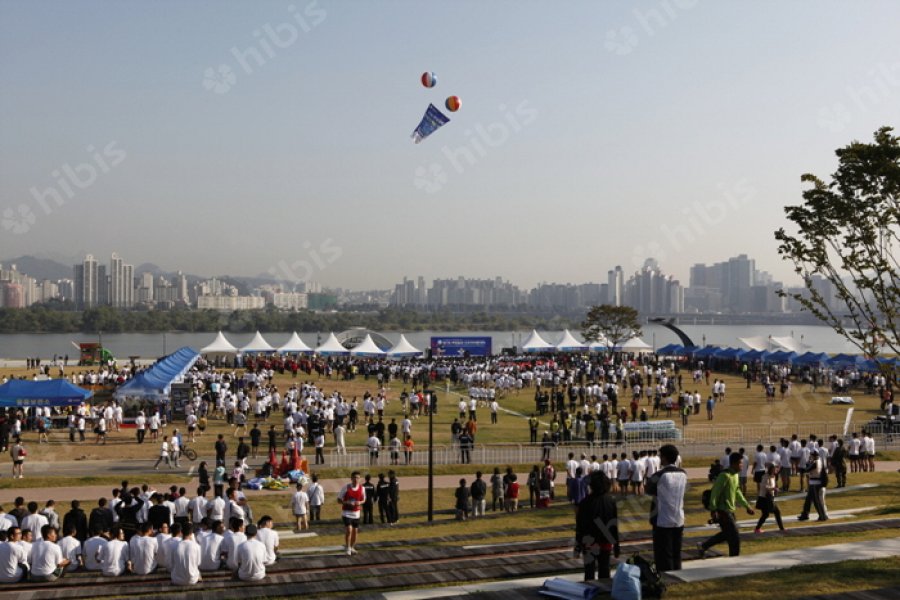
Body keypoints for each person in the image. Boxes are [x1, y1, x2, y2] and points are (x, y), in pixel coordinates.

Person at [698, 452, 754, 558]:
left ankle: (703, 546)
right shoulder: (724, 476)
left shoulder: (735, 476)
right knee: (735, 537)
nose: (742, 466)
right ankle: (734, 559)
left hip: (730, 510)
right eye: (740, 463)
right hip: (722, 511)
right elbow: (715, 492)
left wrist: (747, 506)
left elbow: (737, 492)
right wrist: (713, 510)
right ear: (734, 464)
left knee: (726, 534)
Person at [645, 444, 687, 572]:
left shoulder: (659, 475)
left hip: (662, 519)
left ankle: (666, 576)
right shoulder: (683, 473)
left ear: (664, 458)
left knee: (663, 553)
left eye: (660, 456)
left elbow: (649, 490)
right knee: (676, 551)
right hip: (678, 517)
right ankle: (678, 571)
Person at [575, 471, 619, 581]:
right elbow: (614, 526)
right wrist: (617, 546)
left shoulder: (584, 502)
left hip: (589, 543)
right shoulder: (611, 501)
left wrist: (577, 547)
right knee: (604, 570)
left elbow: (580, 526)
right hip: (606, 542)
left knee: (589, 572)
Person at [337, 471, 365, 556]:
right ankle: (348, 547)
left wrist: (359, 503)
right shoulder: (346, 487)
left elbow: (364, 500)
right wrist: (347, 502)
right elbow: (338, 500)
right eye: (354, 478)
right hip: (347, 513)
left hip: (356, 513)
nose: (356, 479)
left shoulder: (362, 488)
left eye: (357, 478)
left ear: (359, 479)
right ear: (351, 478)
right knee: (349, 530)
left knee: (355, 532)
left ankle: (352, 547)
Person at [798, 448, 828, 522]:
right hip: (813, 483)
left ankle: (822, 516)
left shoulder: (815, 462)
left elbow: (806, 469)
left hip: (815, 484)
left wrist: (807, 463)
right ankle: (805, 514)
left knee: (816, 501)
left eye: (811, 455)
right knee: (808, 500)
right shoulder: (819, 460)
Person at [754, 463, 784, 533]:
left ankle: (757, 529)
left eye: (777, 468)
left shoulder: (773, 476)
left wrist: (774, 489)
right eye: (775, 468)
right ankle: (781, 528)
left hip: (769, 497)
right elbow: (765, 487)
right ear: (771, 469)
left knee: (765, 514)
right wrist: (774, 488)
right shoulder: (765, 476)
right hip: (764, 498)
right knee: (776, 512)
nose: (776, 469)